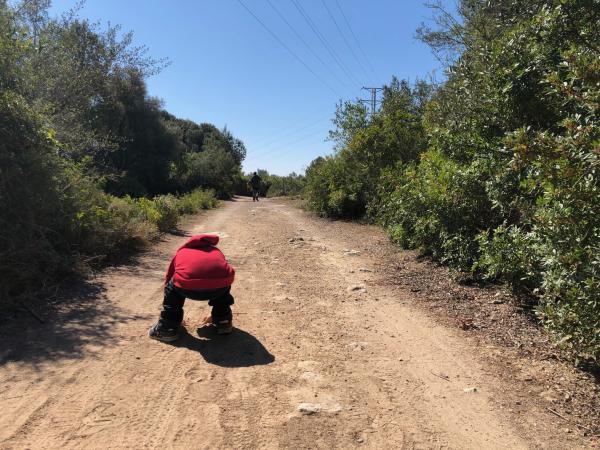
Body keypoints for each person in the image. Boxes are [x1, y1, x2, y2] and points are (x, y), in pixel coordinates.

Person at [148, 234, 235, 342]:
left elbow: (169, 276)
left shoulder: (182, 252)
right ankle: (223, 320)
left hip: (186, 287)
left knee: (173, 284)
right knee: (221, 279)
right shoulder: (216, 251)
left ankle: (168, 327)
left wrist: (169, 293)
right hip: (219, 288)